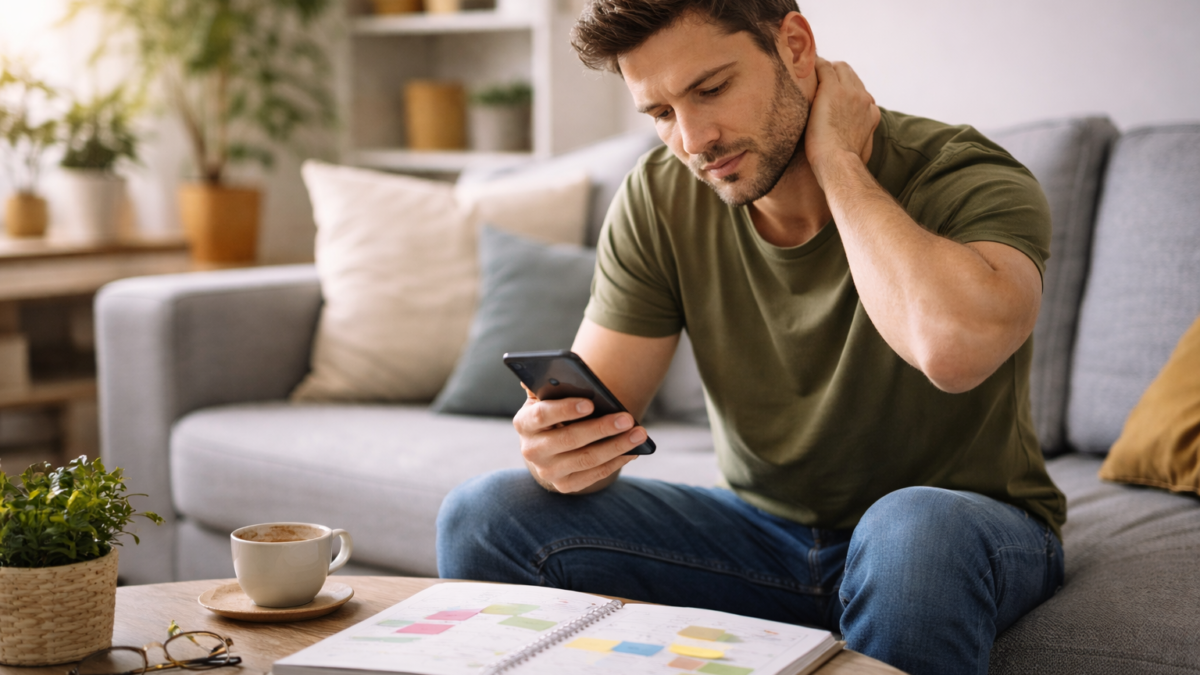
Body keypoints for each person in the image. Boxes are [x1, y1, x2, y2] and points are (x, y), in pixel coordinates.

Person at [437, 2, 1066, 673]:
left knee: (912, 531)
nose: (693, 137)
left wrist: (837, 163)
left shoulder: (959, 172)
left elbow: (954, 349)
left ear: (795, 47)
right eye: (660, 113)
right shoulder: (659, 198)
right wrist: (558, 447)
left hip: (961, 532)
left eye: (710, 89)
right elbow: (602, 405)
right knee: (485, 514)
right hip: (762, 537)